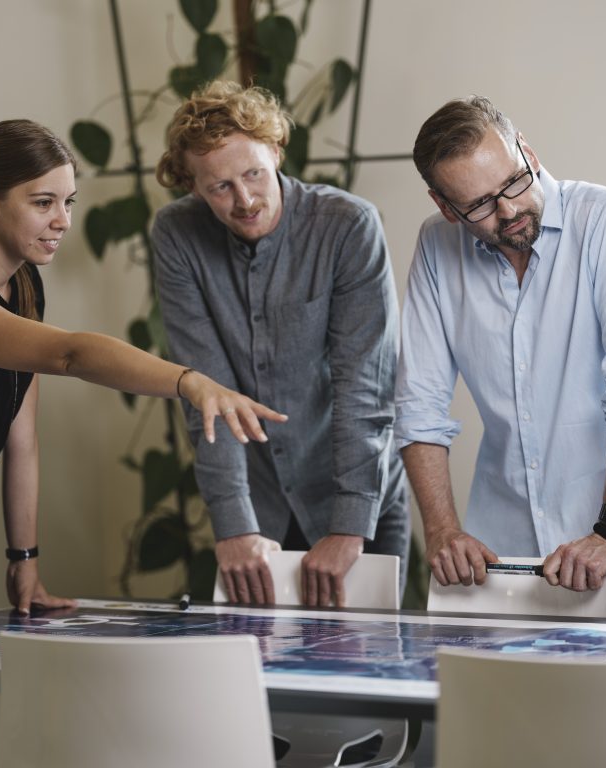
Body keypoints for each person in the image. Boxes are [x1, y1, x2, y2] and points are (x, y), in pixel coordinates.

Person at [0, 118, 285, 768]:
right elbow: (67, 354)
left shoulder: (25, 287)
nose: (61, 220)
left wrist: (24, 558)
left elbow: (22, 438)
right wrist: (189, 382)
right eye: (43, 202)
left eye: (68, 202)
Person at [397, 97, 606, 619]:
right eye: (480, 205)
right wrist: (442, 530)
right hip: (499, 540)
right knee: (501, 700)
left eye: (513, 182)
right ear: (445, 207)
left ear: (526, 151)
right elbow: (418, 406)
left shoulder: (605, 221)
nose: (508, 210)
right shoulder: (437, 247)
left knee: (598, 699)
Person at [152, 81, 409, 608]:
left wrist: (349, 525)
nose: (244, 200)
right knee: (260, 681)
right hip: (257, 515)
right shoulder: (176, 235)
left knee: (366, 680)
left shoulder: (347, 226)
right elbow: (207, 392)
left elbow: (365, 387)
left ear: (275, 150)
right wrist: (232, 526)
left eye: (252, 174)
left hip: (354, 502)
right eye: (219, 187)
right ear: (193, 188)